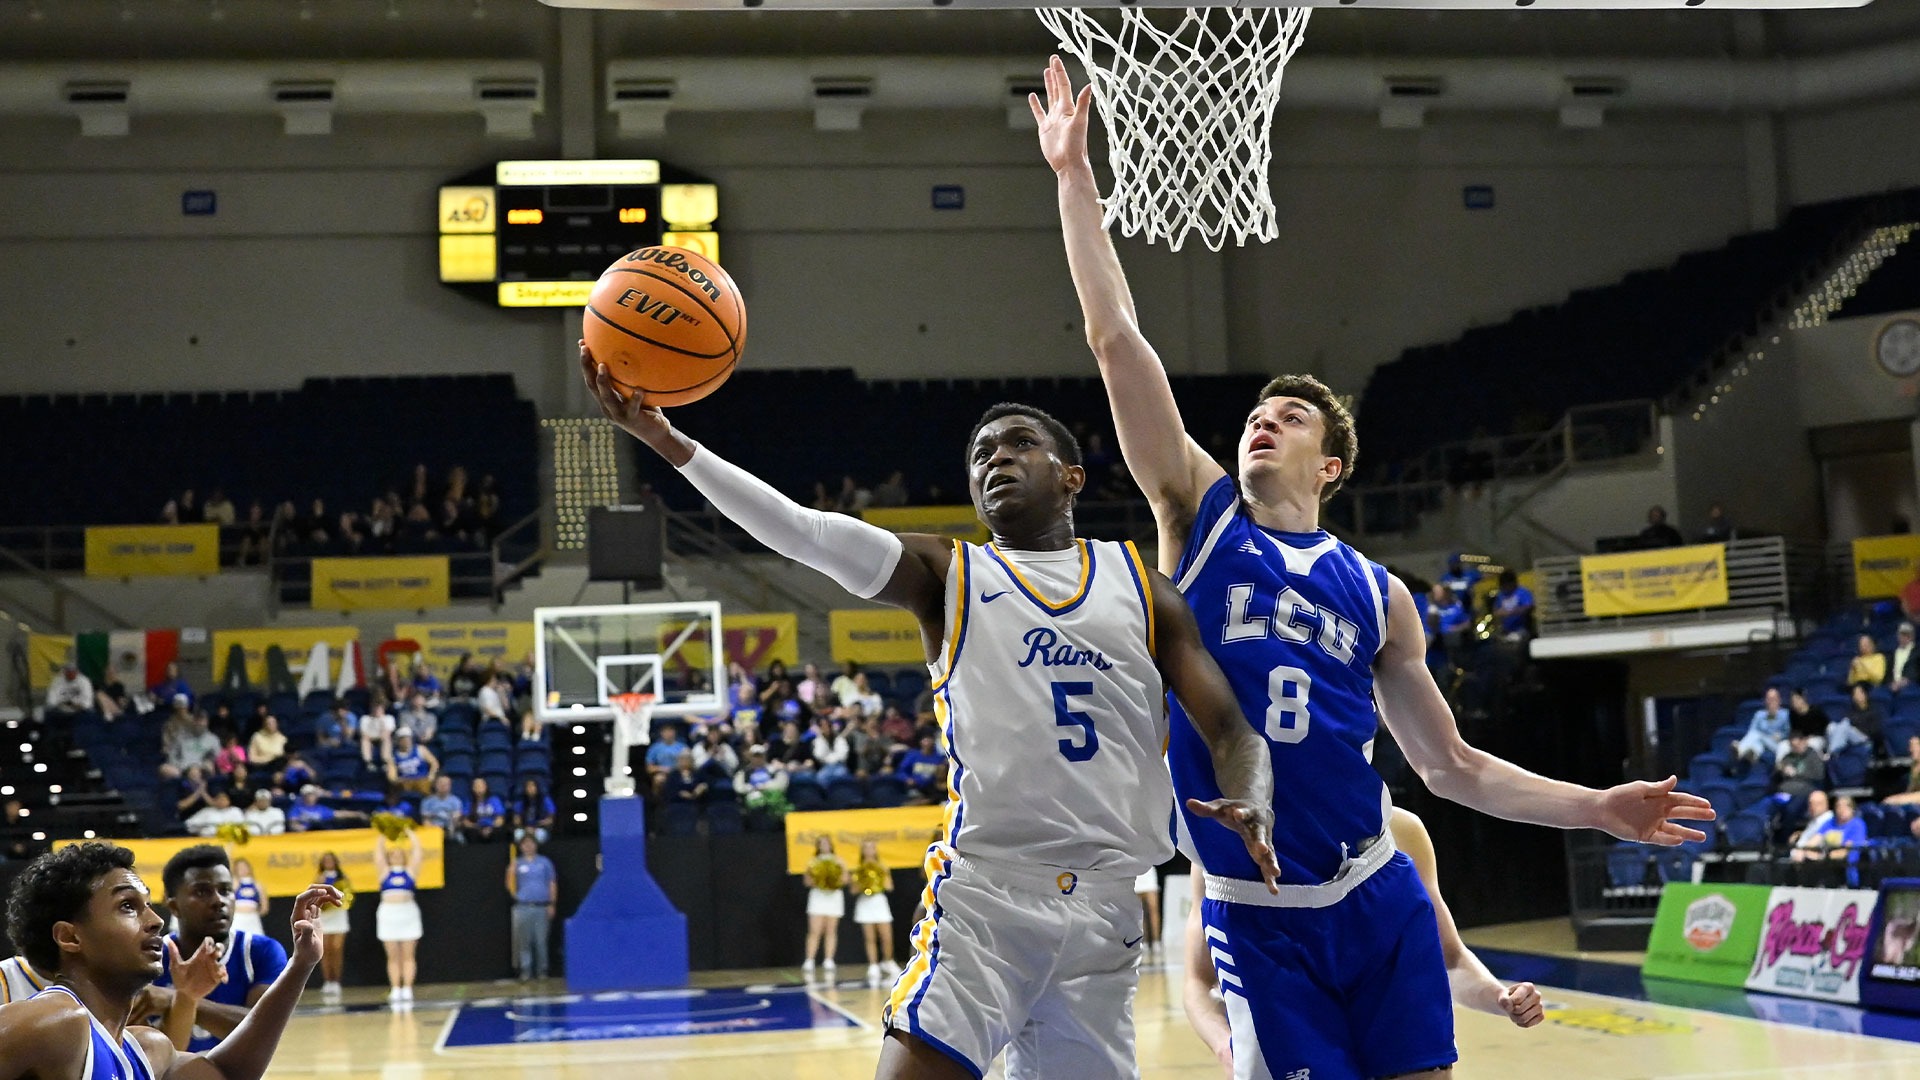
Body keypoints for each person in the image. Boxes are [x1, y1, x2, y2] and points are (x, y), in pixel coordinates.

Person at [1040, 54, 1708, 1080]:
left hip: (1375, 891)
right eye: (1256, 414)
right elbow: (1114, 336)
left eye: (1290, 416)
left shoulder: (1380, 595)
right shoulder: (1200, 516)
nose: (1264, 421)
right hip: (1259, 921)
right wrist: (1074, 181)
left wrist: (1597, 804)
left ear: (1332, 462)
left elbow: (1452, 770)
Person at [586, 343, 1280, 1080]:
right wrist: (669, 442)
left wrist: (1253, 795)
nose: (995, 460)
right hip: (988, 901)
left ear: (1072, 476)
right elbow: (800, 530)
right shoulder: (947, 573)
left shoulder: (1145, 590)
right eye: (981, 453)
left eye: (1020, 444)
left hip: (1105, 914)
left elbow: (1232, 730)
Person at [1186, 806, 1542, 1076]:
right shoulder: (1223, 849)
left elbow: (1449, 958)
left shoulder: (1398, 828)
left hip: (1393, 1022)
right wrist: (1226, 1045)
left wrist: (1500, 997)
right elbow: (1198, 981)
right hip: (1292, 1014)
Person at [0, 842, 336, 1080]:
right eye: (128, 906)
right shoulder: (53, 1020)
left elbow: (229, 1072)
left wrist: (301, 964)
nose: (155, 920)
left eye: (147, 904)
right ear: (70, 937)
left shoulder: (146, 1048)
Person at [146, 846, 289, 1054]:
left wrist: (178, 999)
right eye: (202, 892)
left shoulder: (261, 951)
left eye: (225, 890)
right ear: (174, 906)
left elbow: (265, 1029)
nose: (218, 900)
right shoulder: (148, 957)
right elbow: (146, 1050)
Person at [374, 830, 425, 1005]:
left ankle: (408, 989)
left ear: (404, 856)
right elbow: (378, 853)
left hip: (408, 913)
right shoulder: (385, 872)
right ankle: (395, 988)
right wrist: (385, 832)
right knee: (393, 956)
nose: (396, 856)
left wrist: (410, 834)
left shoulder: (410, 872)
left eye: (399, 853)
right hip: (388, 914)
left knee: (408, 955)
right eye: (392, 854)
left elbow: (418, 853)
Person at [506, 835, 558, 983]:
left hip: (541, 907)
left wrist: (551, 903)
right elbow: (509, 884)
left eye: (531, 843)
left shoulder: (545, 863)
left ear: (536, 845)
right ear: (521, 847)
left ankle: (542, 971)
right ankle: (526, 972)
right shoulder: (517, 863)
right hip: (523, 907)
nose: (528, 846)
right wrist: (511, 874)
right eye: (525, 844)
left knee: (541, 940)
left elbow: (552, 883)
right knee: (524, 941)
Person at [850, 840, 898, 986]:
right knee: (870, 937)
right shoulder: (858, 869)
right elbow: (853, 890)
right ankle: (873, 965)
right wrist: (863, 882)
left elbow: (889, 887)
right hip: (865, 902)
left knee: (886, 937)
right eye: (866, 848)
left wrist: (881, 875)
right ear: (862, 851)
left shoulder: (882, 867)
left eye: (872, 848)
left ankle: (888, 961)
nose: (869, 850)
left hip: (879, 902)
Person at [801, 837, 848, 980]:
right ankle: (809, 960)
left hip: (833, 896)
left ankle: (828, 960)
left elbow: (845, 880)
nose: (824, 846)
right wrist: (818, 878)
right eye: (821, 844)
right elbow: (807, 882)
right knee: (815, 930)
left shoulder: (838, 861)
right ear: (818, 846)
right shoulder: (813, 862)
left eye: (827, 843)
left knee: (831, 929)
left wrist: (838, 873)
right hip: (818, 896)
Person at [313, 852, 352, 1001]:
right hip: (324, 917)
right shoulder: (318, 878)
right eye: (326, 860)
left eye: (331, 860)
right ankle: (327, 981)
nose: (329, 863)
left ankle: (336, 981)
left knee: (337, 949)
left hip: (338, 916)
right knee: (325, 950)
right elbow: (313, 899)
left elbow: (348, 896)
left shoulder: (342, 878)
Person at [1734, 688, 1792, 765]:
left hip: (1776, 744)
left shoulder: (1786, 714)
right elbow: (1751, 731)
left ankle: (1740, 750)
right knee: (1757, 741)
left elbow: (1790, 733)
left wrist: (1781, 735)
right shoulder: (1759, 714)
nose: (1771, 701)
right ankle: (1752, 754)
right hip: (1762, 741)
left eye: (1773, 699)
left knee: (1757, 734)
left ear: (1779, 700)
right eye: (1769, 699)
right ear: (1765, 701)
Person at [383, 729, 438, 796]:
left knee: (424, 786)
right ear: (398, 741)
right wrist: (397, 780)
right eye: (403, 739)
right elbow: (392, 777)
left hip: (422, 779)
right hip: (406, 782)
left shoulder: (420, 749)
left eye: (408, 739)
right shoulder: (394, 757)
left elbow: (434, 763)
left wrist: (431, 775)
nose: (406, 741)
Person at [1490, 569, 1534, 642]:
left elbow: (1529, 607)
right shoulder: (1501, 595)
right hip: (1506, 629)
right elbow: (1496, 611)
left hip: (1522, 629)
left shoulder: (1522, 592)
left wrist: (1512, 612)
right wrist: (1499, 613)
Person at [230, 858, 267, 937]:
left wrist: (253, 912)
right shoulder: (235, 883)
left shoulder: (257, 885)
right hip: (238, 919)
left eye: (244, 867)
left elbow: (264, 907)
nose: (242, 870)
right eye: (240, 868)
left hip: (253, 919)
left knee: (258, 943)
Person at [1133, 865, 1162, 964]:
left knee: (1153, 909)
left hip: (1148, 869)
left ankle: (1156, 942)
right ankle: (1144, 942)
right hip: (1135, 872)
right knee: (1140, 912)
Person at [513, 779, 556, 844]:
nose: (530, 788)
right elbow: (516, 820)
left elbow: (550, 820)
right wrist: (525, 828)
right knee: (517, 834)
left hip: (540, 828)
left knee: (540, 835)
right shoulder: (520, 802)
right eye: (528, 786)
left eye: (532, 786)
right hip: (525, 828)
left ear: (537, 788)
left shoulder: (545, 800)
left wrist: (535, 827)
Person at [1891, 623, 1919, 693]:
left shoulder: (1917, 652)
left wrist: (1907, 680)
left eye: (1907, 635)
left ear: (1912, 636)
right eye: (1902, 634)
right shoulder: (1893, 652)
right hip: (1893, 684)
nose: (1904, 637)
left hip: (1910, 683)